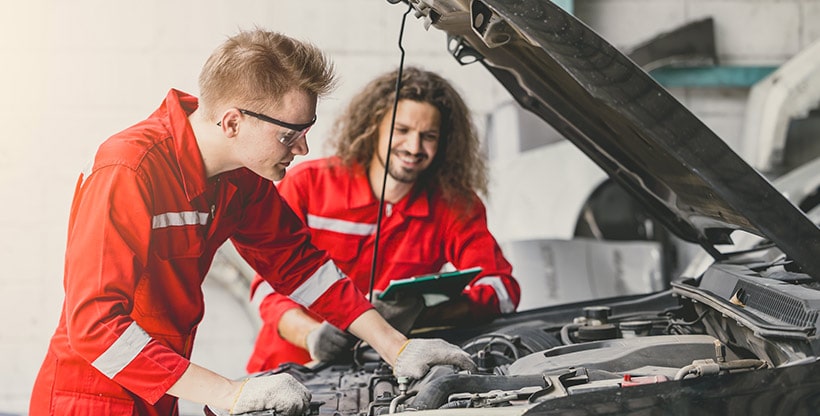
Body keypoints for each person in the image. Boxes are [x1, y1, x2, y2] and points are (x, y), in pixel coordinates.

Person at [29, 30, 475, 416]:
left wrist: (396, 347)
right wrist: (230, 393)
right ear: (232, 122)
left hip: (158, 389)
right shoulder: (129, 169)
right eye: (289, 134)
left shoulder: (241, 176)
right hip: (88, 395)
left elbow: (300, 265)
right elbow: (95, 328)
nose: (302, 149)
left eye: (306, 129)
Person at [245, 67, 521, 373]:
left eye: (428, 136)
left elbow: (502, 290)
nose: (414, 148)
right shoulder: (308, 185)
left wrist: (425, 314)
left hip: (385, 376)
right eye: (401, 131)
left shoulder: (455, 206)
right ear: (373, 124)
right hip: (288, 371)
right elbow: (264, 289)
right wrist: (311, 335)